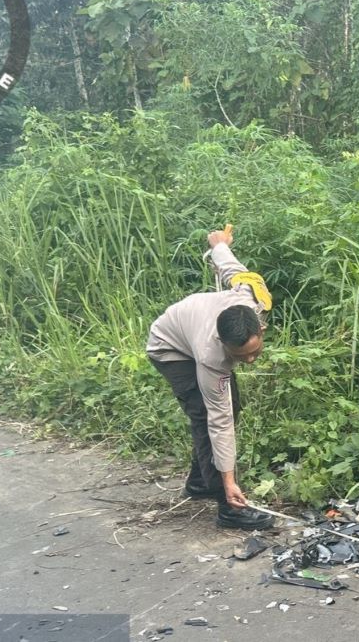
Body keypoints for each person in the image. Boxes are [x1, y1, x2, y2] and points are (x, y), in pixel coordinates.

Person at [145, 226, 274, 530]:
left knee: (233, 405)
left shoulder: (250, 297)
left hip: (190, 325)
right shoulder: (210, 356)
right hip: (170, 348)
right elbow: (220, 421)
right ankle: (227, 505)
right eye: (241, 357)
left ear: (261, 329)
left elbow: (231, 267)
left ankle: (201, 481)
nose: (251, 360)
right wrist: (229, 480)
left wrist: (219, 244)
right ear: (222, 343)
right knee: (206, 415)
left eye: (254, 352)